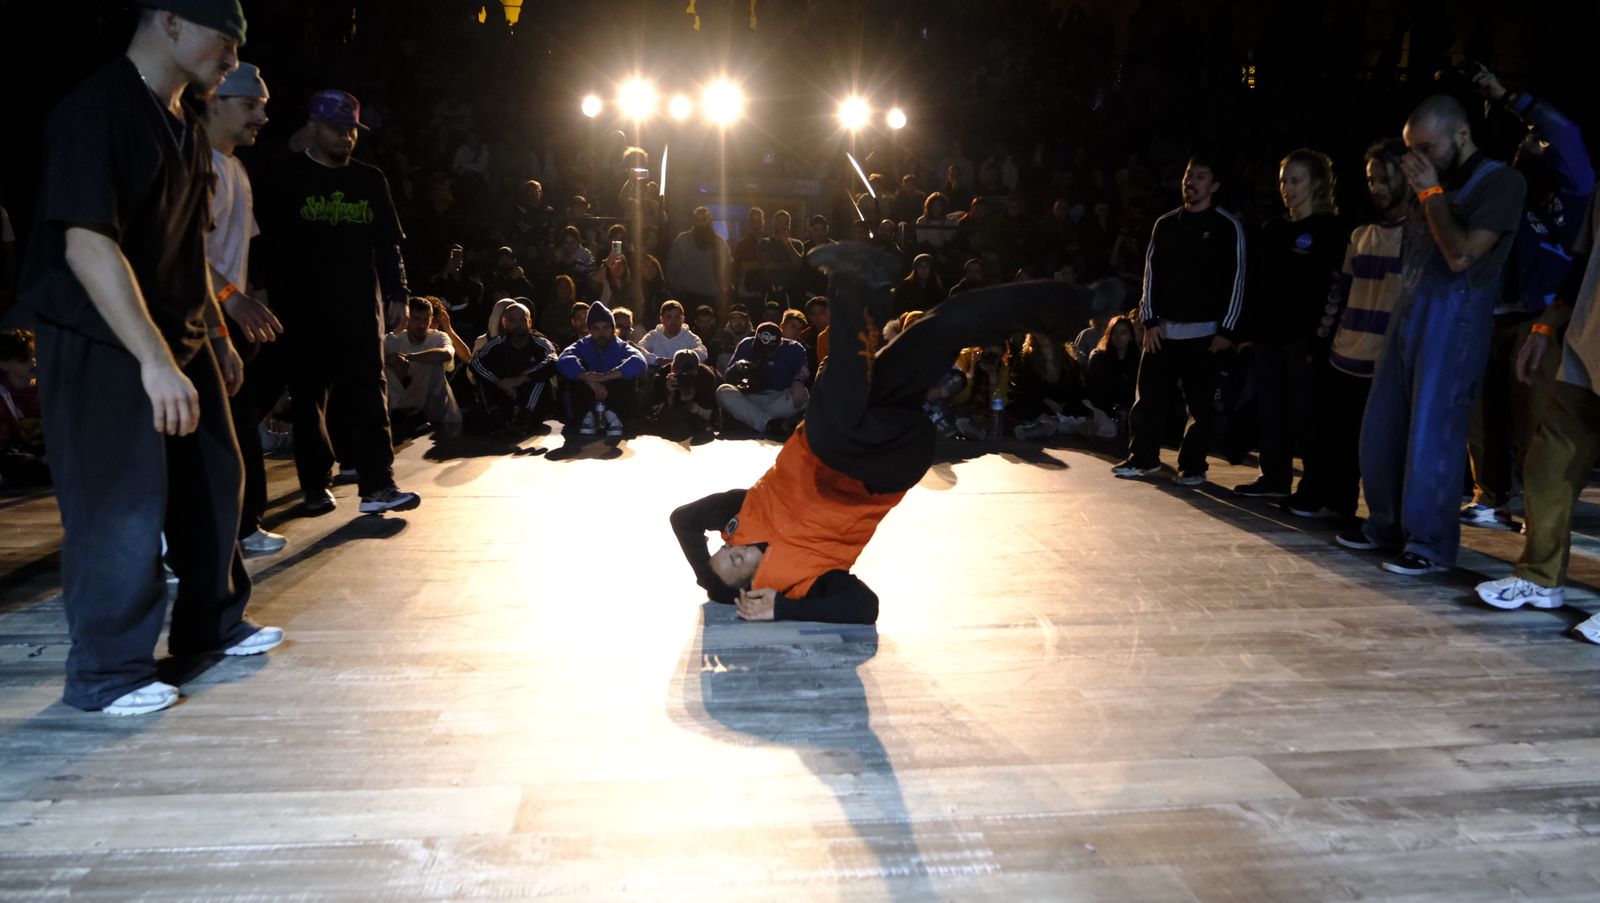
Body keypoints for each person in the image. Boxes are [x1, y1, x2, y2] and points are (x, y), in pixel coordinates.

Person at [15, 0, 282, 715]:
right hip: (103, 335)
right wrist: (153, 360)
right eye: (223, 40)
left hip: (178, 332)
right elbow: (86, 243)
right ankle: (108, 672)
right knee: (120, 501)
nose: (232, 57)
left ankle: (212, 624)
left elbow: (188, 248)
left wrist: (213, 341)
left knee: (214, 478)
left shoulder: (186, 126)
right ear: (169, 22)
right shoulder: (96, 110)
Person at [670, 244, 1082, 623]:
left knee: (936, 330)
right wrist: (784, 608)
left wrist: (704, 578)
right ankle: (855, 284)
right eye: (738, 562)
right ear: (757, 587)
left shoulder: (741, 511)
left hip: (856, 420)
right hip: (887, 463)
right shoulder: (805, 583)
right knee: (826, 429)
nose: (737, 545)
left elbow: (682, 520)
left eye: (727, 548)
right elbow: (866, 608)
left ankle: (1072, 302)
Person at [1339, 96, 1527, 575]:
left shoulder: (1502, 181)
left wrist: (1430, 193)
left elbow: (1461, 255)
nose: (1418, 158)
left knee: (1433, 435)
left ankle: (1431, 544)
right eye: (1412, 149)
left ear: (1461, 134)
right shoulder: (1433, 179)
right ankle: (1385, 524)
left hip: (1457, 317)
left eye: (1426, 146)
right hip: (1409, 306)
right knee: (1381, 428)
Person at [253, 88, 420, 515]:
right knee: (308, 400)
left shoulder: (369, 179)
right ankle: (314, 484)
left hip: (359, 309)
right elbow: (264, 246)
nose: (346, 136)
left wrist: (398, 292)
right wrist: (261, 295)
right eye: (336, 128)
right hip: (300, 310)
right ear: (312, 127)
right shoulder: (284, 177)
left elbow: (388, 244)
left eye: (351, 129)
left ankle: (378, 485)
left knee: (369, 394)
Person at [1462, 68, 1595, 532]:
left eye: (1537, 140)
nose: (1530, 143)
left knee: (1533, 421)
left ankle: (1536, 516)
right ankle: (1490, 497)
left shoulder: (1573, 189)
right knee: (1483, 417)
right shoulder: (1506, 187)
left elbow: (1564, 134)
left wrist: (1509, 98)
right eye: (1526, 140)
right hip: (1491, 313)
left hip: (1538, 315)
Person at [1474, 190, 1600, 642]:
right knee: (1547, 463)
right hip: (1588, 347)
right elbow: (1583, 263)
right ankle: (1542, 579)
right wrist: (1546, 327)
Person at [1286, 140, 1412, 525]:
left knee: (1375, 446)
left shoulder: (1418, 236)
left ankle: (1382, 519)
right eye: (1371, 179)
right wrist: (1325, 340)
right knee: (1333, 437)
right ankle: (1335, 503)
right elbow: (1338, 294)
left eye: (1385, 178)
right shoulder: (1361, 234)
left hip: (1385, 358)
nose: (1376, 187)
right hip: (1346, 352)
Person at [1111, 154, 1246, 485]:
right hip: (1164, 330)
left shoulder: (1227, 226)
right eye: (1189, 174)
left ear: (1213, 185)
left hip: (1205, 333)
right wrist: (1150, 319)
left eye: (1200, 176)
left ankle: (1193, 465)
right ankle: (1143, 457)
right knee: (1149, 399)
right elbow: (1150, 276)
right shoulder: (1165, 223)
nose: (1191, 181)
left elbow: (1237, 279)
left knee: (1200, 407)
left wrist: (1228, 329)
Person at [201, 60, 287, 557]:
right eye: (251, 105)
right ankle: (182, 540)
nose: (262, 117)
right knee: (205, 433)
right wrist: (231, 302)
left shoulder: (234, 167)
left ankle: (243, 524)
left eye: (264, 107)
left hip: (228, 321)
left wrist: (251, 298)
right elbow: (185, 253)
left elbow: (236, 253)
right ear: (214, 101)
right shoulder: (198, 164)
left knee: (237, 425)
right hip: (198, 321)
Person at [1232, 149, 1347, 498]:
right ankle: (1274, 478)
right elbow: (1257, 284)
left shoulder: (1330, 229)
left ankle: (1313, 486)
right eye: (1283, 180)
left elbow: (1334, 289)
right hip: (1269, 337)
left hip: (1304, 341)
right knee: (1271, 412)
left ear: (1315, 183)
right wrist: (1248, 331)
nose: (1287, 188)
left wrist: (1319, 341)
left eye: (1295, 180)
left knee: (1306, 416)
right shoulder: (1273, 228)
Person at [555, 300, 647, 438]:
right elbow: (563, 359)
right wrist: (587, 378)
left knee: (627, 375)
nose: (601, 333)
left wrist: (606, 377)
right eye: (596, 328)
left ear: (612, 328)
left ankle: (613, 416)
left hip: (614, 396)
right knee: (576, 372)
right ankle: (589, 416)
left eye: (605, 328)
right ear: (590, 330)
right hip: (589, 396)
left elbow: (640, 362)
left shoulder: (621, 346)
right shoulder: (583, 344)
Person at [469, 301, 558, 435]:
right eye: (512, 320)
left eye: (522, 319)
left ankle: (523, 420)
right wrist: (499, 382)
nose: (517, 324)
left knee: (541, 378)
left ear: (529, 322)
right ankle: (497, 421)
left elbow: (553, 361)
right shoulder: (496, 344)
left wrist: (522, 379)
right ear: (505, 323)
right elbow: (475, 364)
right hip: (504, 396)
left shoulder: (540, 343)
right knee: (483, 377)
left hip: (532, 405)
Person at [384, 297, 462, 437]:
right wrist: (391, 360)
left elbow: (446, 354)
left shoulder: (438, 337)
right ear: (408, 319)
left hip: (439, 414)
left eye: (425, 319)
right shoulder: (394, 339)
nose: (421, 324)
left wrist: (409, 357)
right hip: (402, 412)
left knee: (428, 361)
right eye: (416, 319)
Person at [717, 321, 810, 435]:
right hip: (749, 397)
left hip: (779, 397)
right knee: (723, 390)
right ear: (755, 340)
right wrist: (737, 367)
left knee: (803, 395)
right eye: (761, 348)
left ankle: (753, 421)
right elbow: (728, 377)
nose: (766, 353)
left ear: (780, 343)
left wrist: (798, 381)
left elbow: (804, 369)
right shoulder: (746, 344)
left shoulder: (794, 348)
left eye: (771, 349)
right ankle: (771, 424)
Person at [0, 328, 48, 488]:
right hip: (18, 452)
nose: (33, 362)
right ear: (4, 364)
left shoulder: (47, 388)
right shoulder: (3, 395)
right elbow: (3, 442)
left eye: (34, 355)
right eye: (24, 359)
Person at [665, 207, 732, 316]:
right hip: (689, 296)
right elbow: (671, 267)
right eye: (698, 220)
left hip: (714, 297)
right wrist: (680, 290)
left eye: (704, 220)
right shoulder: (682, 240)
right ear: (693, 221)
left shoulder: (719, 242)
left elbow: (729, 266)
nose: (701, 224)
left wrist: (724, 290)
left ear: (709, 221)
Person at [651, 348, 720, 442]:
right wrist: (670, 394)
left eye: (689, 374)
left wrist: (690, 402)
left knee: (700, 424)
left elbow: (708, 415)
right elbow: (656, 411)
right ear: (672, 368)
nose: (685, 377)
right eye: (680, 374)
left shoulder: (706, 377)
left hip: (698, 418)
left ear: (698, 369)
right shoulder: (662, 376)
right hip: (674, 418)